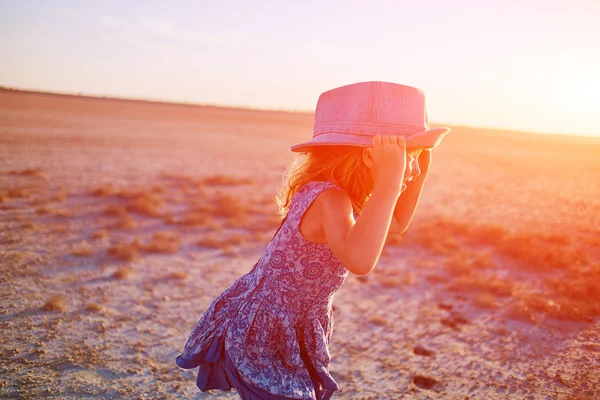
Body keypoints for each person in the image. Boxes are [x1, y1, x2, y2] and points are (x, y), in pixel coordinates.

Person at [175, 81, 451, 399]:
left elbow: (397, 223)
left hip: (291, 324)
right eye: (407, 158)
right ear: (367, 158)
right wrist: (390, 182)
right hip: (268, 330)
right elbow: (360, 261)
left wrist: (418, 174)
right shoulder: (330, 199)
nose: (412, 169)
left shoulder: (336, 194)